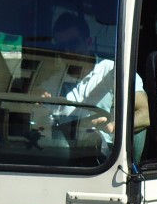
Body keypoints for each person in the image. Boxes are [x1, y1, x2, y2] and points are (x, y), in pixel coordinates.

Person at [43, 12, 148, 140]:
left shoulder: (114, 72)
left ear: (88, 42)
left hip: (108, 157)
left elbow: (145, 114)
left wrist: (113, 127)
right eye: (61, 47)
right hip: (62, 152)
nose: (67, 51)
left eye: (72, 44)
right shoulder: (51, 84)